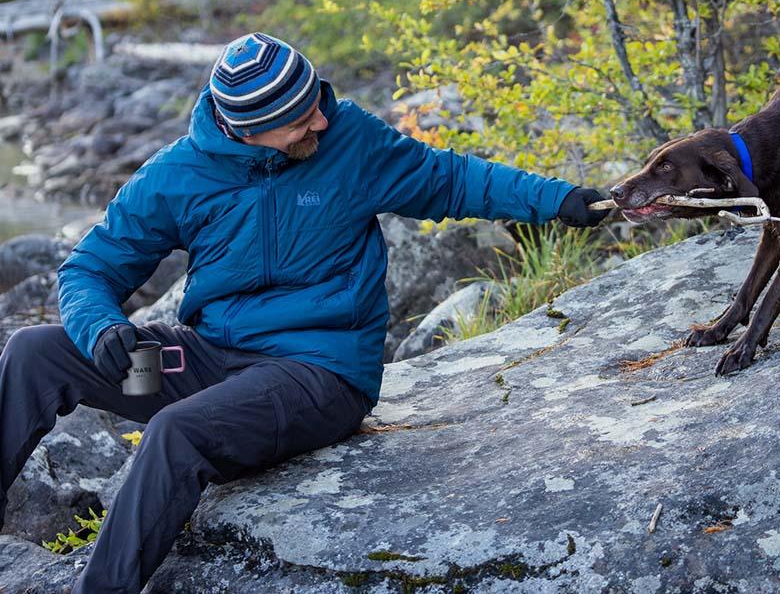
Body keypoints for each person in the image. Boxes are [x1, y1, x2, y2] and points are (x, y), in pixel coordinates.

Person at [0, 32, 608, 592]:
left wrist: (560, 200)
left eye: (316, 97)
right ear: (247, 128)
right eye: (299, 117)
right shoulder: (176, 176)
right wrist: (100, 325)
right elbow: (89, 269)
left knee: (175, 433)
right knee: (34, 353)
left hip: (318, 374)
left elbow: (452, 180)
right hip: (212, 362)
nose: (322, 115)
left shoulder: (352, 143)